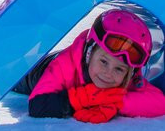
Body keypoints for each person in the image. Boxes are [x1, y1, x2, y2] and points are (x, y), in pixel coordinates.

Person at [24, 9, 165, 122]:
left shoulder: (128, 78)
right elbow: (38, 105)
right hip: (33, 71)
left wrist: (115, 101)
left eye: (119, 69)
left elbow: (160, 103)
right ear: (89, 53)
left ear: (130, 72)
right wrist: (87, 98)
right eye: (104, 62)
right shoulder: (63, 65)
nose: (108, 73)